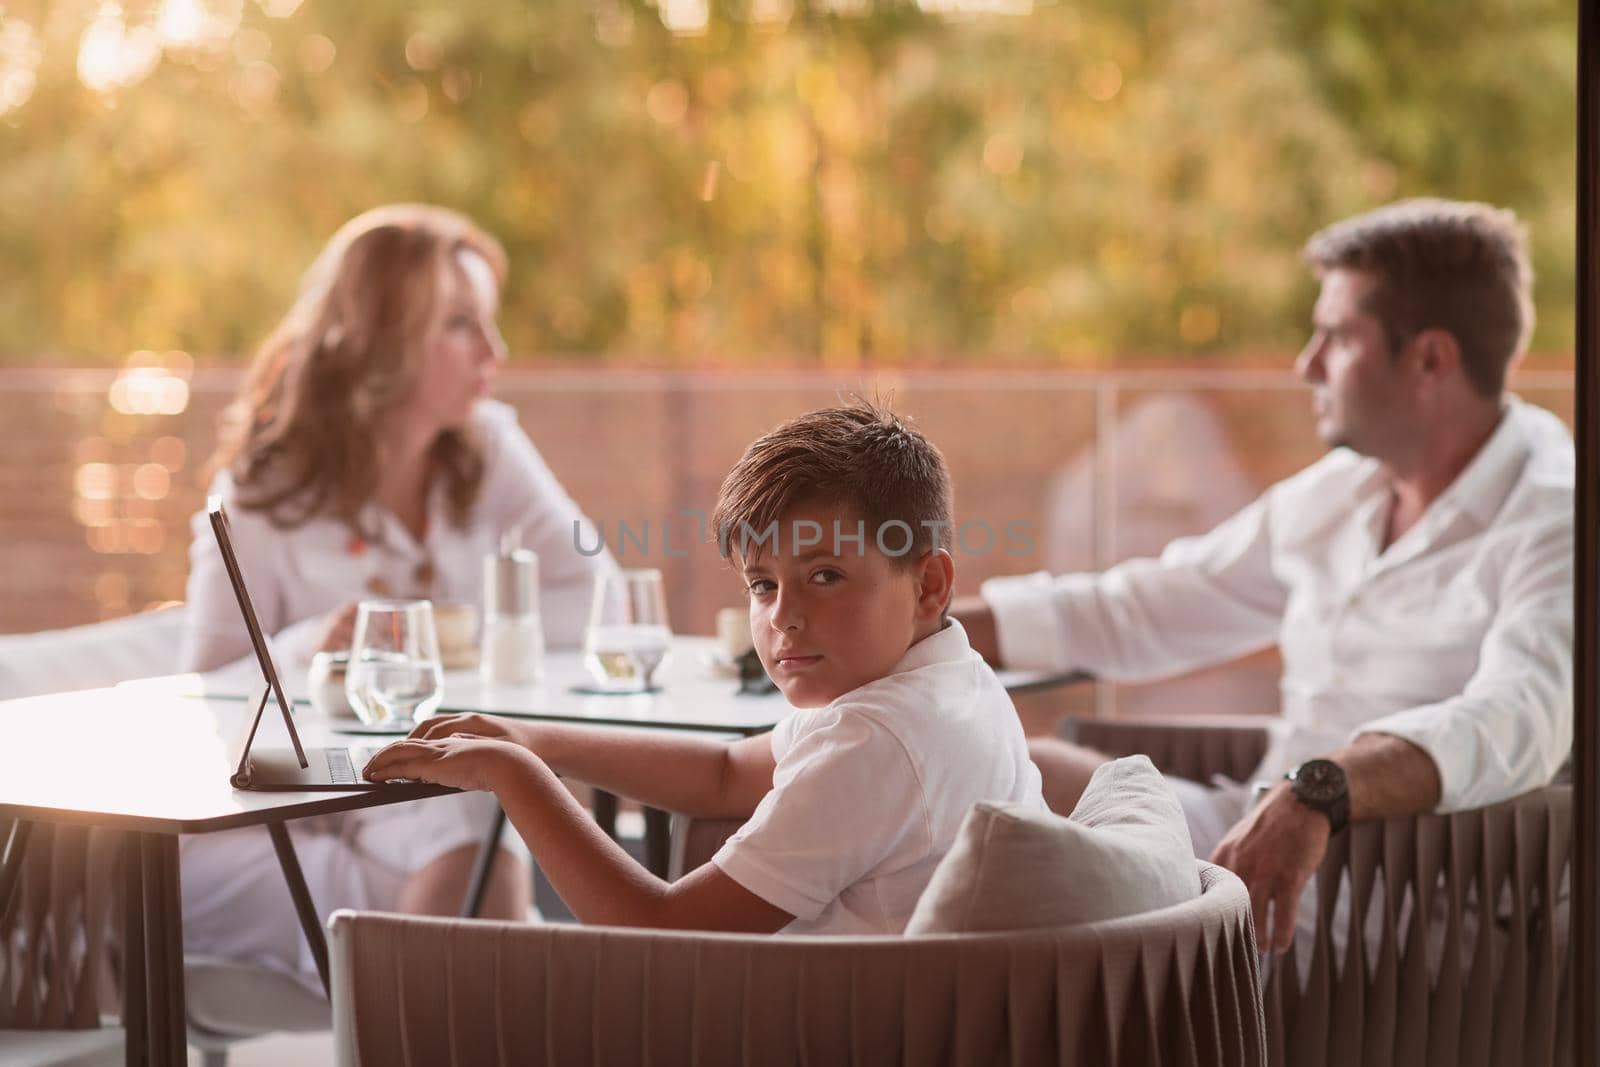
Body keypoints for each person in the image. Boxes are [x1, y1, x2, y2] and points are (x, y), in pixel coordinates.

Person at [953, 198, 1573, 953]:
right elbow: (1153, 607)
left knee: (1048, 905)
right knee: (1007, 770)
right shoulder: (1345, 488)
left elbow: (1519, 719)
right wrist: (916, 623)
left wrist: (1323, 788)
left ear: (1430, 359)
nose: (1305, 363)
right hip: (1262, 821)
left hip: (1396, 889)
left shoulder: (1556, 517)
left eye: (1336, 336)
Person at [365, 404, 1044, 932]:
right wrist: (536, 738)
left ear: (928, 584)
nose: (782, 617)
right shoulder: (948, 683)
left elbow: (662, 933)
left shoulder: (876, 742)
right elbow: (723, 776)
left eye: (826, 575)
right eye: (761, 585)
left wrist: (515, 776)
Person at [177, 204, 613, 987]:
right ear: (382, 341)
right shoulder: (258, 494)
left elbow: (595, 593)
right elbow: (205, 689)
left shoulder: (492, 448)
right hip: (317, 791)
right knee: (479, 818)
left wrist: (449, 637)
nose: (496, 350)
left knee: (472, 798)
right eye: (461, 325)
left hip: (421, 792)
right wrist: (312, 644)